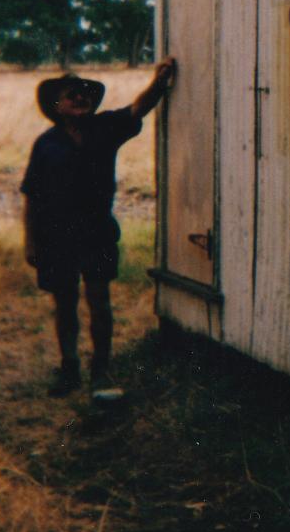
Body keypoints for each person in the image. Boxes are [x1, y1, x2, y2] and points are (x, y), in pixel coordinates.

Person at [21, 59, 176, 396]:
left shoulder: (106, 127)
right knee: (65, 305)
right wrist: (30, 242)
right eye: (71, 95)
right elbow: (31, 197)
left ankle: (101, 371)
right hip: (55, 236)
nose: (80, 98)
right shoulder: (45, 144)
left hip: (97, 233)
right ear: (57, 105)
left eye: (85, 94)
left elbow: (139, 107)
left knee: (100, 301)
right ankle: (69, 369)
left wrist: (159, 81)